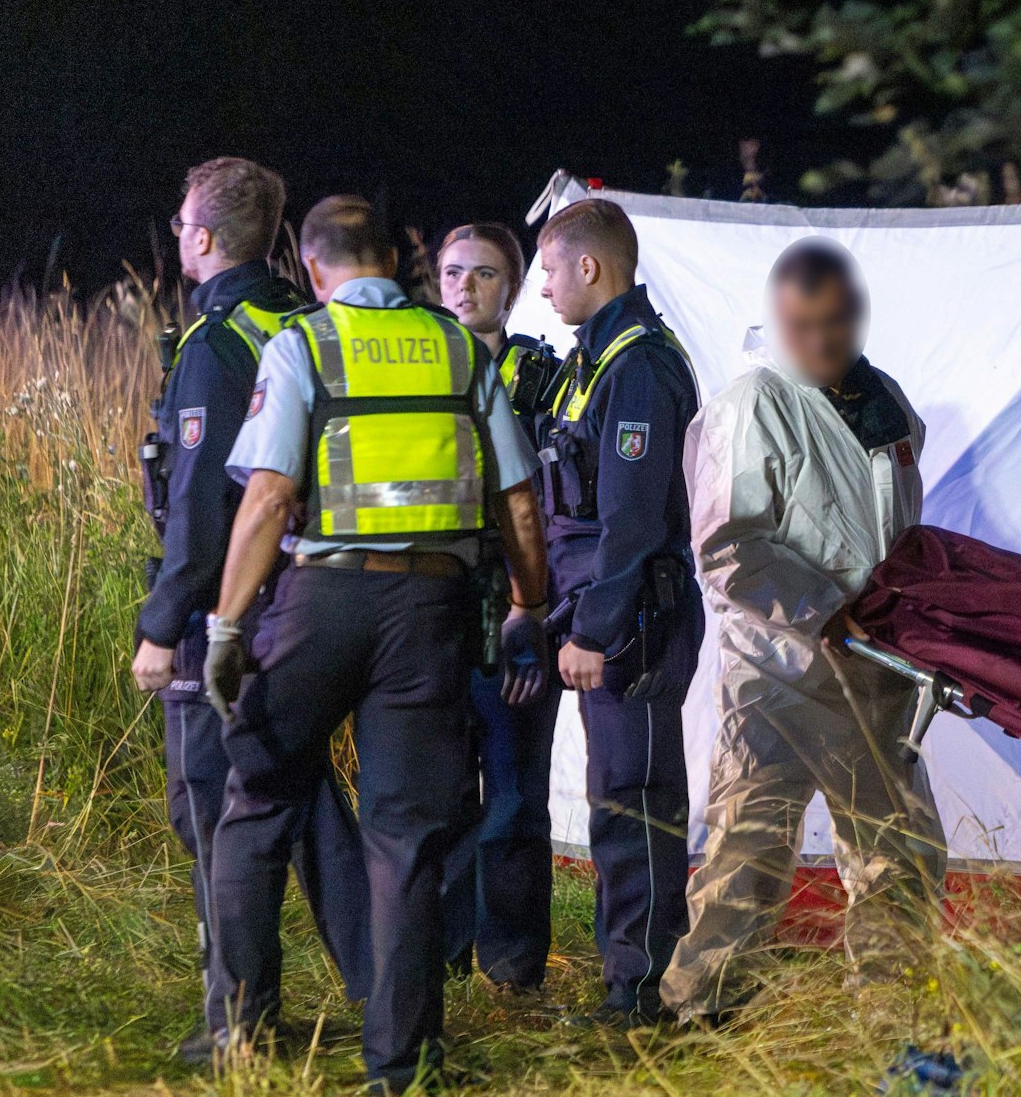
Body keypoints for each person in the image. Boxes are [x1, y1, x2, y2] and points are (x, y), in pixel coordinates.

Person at [202, 195, 550, 1092]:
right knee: (408, 839)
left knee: (258, 804)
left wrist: (229, 625)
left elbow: (271, 495)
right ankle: (404, 1064)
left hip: (323, 600)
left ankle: (238, 1033)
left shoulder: (304, 345)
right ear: (398, 261)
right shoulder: (463, 350)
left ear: (313, 269)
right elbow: (517, 500)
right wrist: (528, 601)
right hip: (430, 614)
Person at [661, 238, 946, 1023]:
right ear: (778, 318)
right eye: (805, 325)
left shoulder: (885, 402)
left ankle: (894, 1013)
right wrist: (826, 610)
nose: (822, 341)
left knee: (900, 853)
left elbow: (896, 528)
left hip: (871, 669)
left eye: (836, 323)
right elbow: (727, 545)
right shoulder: (752, 403)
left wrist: (897, 620)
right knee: (746, 853)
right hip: (777, 672)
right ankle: (698, 1011)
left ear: (856, 316)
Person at [128, 157, 371, 1061]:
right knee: (305, 799)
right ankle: (382, 992)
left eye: (185, 221)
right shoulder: (304, 320)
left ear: (201, 236)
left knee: (214, 811)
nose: (180, 233)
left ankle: (238, 1018)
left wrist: (164, 623)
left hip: (224, 614)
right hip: (313, 599)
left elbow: (198, 507)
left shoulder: (214, 341)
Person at [532, 197, 703, 1027]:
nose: (544, 290)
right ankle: (629, 978)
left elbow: (631, 520)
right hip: (604, 616)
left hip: (632, 626)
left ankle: (642, 995)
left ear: (590, 267)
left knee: (633, 802)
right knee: (617, 799)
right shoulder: (592, 359)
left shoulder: (636, 364)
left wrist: (595, 632)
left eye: (551, 270)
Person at [434, 222, 560, 993]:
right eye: (451, 272)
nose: (465, 287)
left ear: (511, 289)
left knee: (514, 793)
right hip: (433, 610)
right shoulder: (418, 374)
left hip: (513, 607)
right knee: (440, 791)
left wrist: (536, 611)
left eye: (483, 274)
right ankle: (440, 958)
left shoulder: (545, 378)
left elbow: (554, 506)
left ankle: (512, 968)